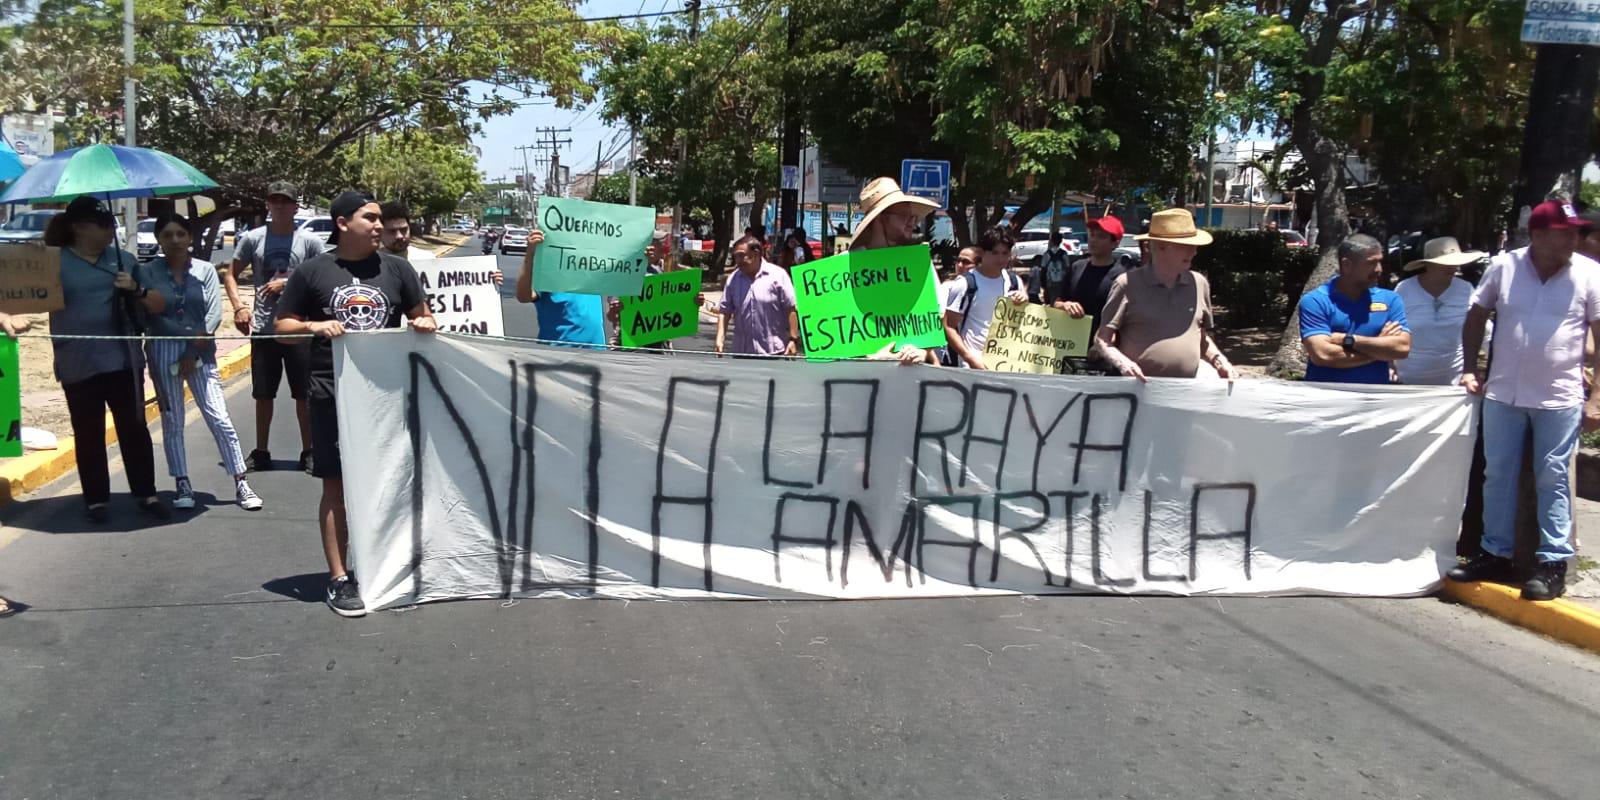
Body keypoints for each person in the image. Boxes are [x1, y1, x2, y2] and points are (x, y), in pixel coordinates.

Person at [275, 191, 437, 618]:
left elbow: (425, 317)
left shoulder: (398, 270)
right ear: (343, 223)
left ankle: (387, 564)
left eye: (381, 219)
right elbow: (282, 329)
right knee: (336, 486)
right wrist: (313, 325)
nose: (380, 226)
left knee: (393, 482)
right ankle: (339, 578)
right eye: (371, 218)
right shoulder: (313, 271)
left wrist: (424, 322)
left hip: (387, 396)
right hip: (332, 393)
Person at [1449, 200, 1600, 601]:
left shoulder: (1589, 274)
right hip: (1503, 392)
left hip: (1559, 397)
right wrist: (1469, 368)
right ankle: (1494, 553)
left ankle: (1552, 563)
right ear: (1537, 234)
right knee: (1497, 474)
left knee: (1552, 477)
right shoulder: (1505, 266)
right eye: (1565, 231)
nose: (1574, 237)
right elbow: (1476, 314)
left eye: (1576, 231)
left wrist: (1597, 396)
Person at [0, 197, 169, 522]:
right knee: (88, 432)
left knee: (134, 429)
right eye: (102, 223)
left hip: (124, 361)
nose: (110, 229)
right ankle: (96, 501)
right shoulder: (52, 262)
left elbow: (157, 304)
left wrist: (135, 288)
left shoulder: (125, 260)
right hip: (77, 362)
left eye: (111, 222)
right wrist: (7, 316)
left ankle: (146, 494)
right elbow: (10, 292)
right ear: (79, 227)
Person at [141, 214, 262, 511]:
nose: (175, 240)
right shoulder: (148, 272)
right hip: (162, 351)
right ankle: (182, 481)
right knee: (172, 421)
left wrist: (192, 350)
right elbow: (149, 314)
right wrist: (178, 340)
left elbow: (213, 314)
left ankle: (240, 481)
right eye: (167, 234)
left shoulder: (205, 269)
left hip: (201, 352)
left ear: (190, 238)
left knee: (219, 417)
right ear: (159, 239)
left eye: (181, 234)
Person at [223, 181, 323, 473]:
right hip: (264, 329)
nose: (279, 206)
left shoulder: (309, 242)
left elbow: (321, 278)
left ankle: (309, 451)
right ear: (268, 204)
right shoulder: (253, 239)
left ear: (295, 206)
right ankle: (262, 450)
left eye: (285, 201)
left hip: (299, 330)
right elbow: (231, 275)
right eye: (274, 200)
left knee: (304, 395)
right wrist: (240, 308)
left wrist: (288, 282)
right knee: (263, 394)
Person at [1096, 208, 1234, 382]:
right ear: (1160, 247)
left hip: (1186, 394)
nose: (1194, 252)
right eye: (1186, 246)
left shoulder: (1199, 284)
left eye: (1194, 246)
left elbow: (1201, 337)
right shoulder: (1127, 284)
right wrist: (1124, 364)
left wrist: (1219, 360)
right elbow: (1102, 340)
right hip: (1137, 394)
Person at [1297, 234, 1411, 385]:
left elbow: (1401, 348)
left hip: (1374, 401)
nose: (1379, 269)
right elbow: (1323, 355)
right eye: (1371, 263)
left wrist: (1349, 341)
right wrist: (1379, 349)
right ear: (1347, 265)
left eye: (1379, 262)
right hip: (1326, 400)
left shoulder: (1390, 299)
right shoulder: (1316, 301)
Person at [1044, 216, 1136, 373]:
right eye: (1092, 234)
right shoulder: (1076, 268)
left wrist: (1105, 344)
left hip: (1104, 361)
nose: (1093, 240)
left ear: (1115, 243)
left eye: (1101, 236)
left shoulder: (1123, 278)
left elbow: (1126, 321)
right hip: (1068, 354)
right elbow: (1055, 302)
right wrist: (1065, 305)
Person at [1392, 237, 1483, 386]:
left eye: (1454, 262)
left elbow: (1481, 329)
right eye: (1444, 263)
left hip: (1454, 380)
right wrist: (1389, 365)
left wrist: (1471, 371)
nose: (1452, 267)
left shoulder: (1466, 290)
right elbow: (1390, 329)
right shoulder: (1404, 289)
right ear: (1428, 265)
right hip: (1409, 379)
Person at [941, 227, 1028, 369]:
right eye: (994, 253)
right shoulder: (965, 284)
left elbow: (1025, 321)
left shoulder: (1014, 281)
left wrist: (1024, 300)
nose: (1000, 259)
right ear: (983, 253)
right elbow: (949, 326)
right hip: (973, 365)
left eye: (1005, 253)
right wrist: (970, 359)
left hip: (1006, 363)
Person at [513, 229, 608, 348]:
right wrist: (530, 254)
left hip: (596, 353)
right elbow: (523, 296)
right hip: (558, 354)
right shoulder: (548, 269)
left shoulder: (593, 269)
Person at [717, 235, 799, 357]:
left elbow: (790, 308)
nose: (737, 260)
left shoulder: (778, 275)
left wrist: (793, 339)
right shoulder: (733, 279)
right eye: (736, 256)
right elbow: (725, 311)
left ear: (755, 254)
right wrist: (720, 338)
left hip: (774, 352)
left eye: (741, 255)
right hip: (741, 353)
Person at [380, 201, 501, 282]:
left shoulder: (427, 259)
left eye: (403, 230)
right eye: (392, 231)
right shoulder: (369, 263)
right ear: (380, 232)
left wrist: (487, 278)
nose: (400, 236)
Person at [849, 177, 939, 251]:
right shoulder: (847, 265)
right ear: (879, 217)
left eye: (913, 217)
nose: (913, 224)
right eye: (904, 216)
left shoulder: (915, 261)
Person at [1027, 232, 1071, 304]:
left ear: (1052, 241)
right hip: (1061, 281)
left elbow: (1043, 268)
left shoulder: (1047, 254)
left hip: (1050, 281)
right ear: (1061, 241)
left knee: (1051, 300)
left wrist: (1043, 283)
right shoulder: (1064, 254)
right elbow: (1068, 268)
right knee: (1061, 299)